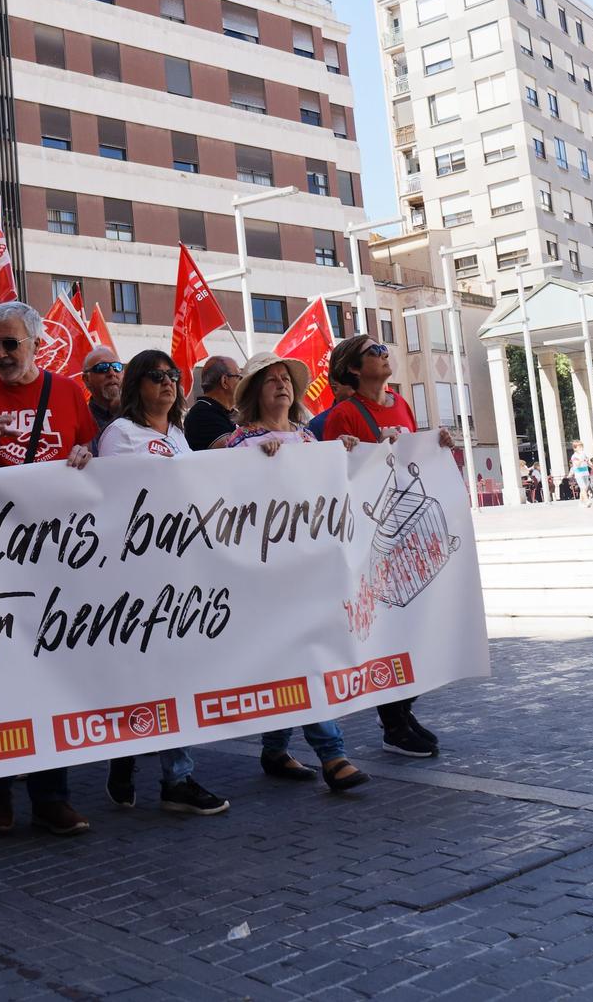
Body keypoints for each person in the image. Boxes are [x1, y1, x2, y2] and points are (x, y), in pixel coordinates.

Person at [0, 300, 95, 835]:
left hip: (55, 556)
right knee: (1, 670)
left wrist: (86, 456)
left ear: (36, 344)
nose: (1, 354)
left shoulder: (70, 391)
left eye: (11, 344)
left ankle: (52, 795)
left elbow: (91, 454)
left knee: (53, 669)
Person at [93, 351, 231, 817]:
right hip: (134, 577)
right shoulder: (121, 435)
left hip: (178, 572)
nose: (168, 383)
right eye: (157, 376)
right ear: (136, 385)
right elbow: (111, 502)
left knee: (176, 676)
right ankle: (123, 758)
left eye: (174, 376)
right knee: (137, 679)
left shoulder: (177, 435)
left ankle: (177, 777)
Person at [224, 352, 368, 792]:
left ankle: (275, 748)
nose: (281, 385)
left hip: (311, 572)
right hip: (264, 575)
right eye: (270, 380)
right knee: (304, 659)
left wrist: (350, 457)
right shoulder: (238, 443)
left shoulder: (310, 442)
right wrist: (253, 462)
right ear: (254, 393)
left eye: (286, 379)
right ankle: (333, 755)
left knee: (295, 660)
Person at [318, 336, 453, 760]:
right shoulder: (345, 413)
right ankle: (393, 722)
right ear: (354, 370)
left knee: (412, 626)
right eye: (373, 352)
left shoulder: (400, 403)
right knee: (385, 629)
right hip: (372, 536)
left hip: (409, 529)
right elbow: (340, 475)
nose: (383, 354)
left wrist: (438, 443)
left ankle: (404, 711)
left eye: (382, 349)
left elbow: (412, 457)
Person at [183, 355, 240, 451]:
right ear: (224, 381)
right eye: (239, 377)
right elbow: (232, 448)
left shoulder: (227, 412)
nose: (242, 383)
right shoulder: (202, 413)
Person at [82, 346, 123, 431]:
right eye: (102, 367)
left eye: (117, 367)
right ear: (87, 379)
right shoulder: (81, 423)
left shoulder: (141, 414)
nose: (112, 373)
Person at [570, 441, 593, 506]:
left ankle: (580, 502)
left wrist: (591, 465)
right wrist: (581, 459)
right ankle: (586, 501)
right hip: (579, 474)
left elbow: (588, 462)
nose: (581, 448)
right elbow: (577, 464)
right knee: (583, 487)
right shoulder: (574, 456)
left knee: (584, 488)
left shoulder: (584, 454)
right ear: (575, 448)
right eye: (579, 447)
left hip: (585, 473)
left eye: (582, 446)